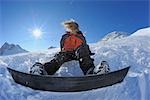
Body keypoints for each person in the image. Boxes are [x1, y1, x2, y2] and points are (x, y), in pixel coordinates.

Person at [31, 19, 95, 75]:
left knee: (81, 51)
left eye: (75, 28)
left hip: (78, 53)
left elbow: (84, 46)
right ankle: (45, 70)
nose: (73, 29)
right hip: (67, 53)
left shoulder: (81, 37)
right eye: (71, 27)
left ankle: (90, 71)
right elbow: (62, 46)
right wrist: (62, 51)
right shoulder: (65, 36)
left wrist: (88, 53)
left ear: (77, 28)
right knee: (60, 57)